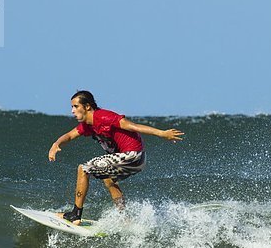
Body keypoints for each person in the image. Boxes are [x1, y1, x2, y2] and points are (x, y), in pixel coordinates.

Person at [48, 90, 185, 225]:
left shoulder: (103, 117)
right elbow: (70, 135)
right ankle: (124, 219)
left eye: (76, 106)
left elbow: (132, 126)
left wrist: (162, 133)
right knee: (109, 180)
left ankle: (75, 215)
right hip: (138, 159)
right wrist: (56, 144)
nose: (72, 111)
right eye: (72, 107)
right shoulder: (88, 125)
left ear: (87, 106)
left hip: (132, 155)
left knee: (83, 169)